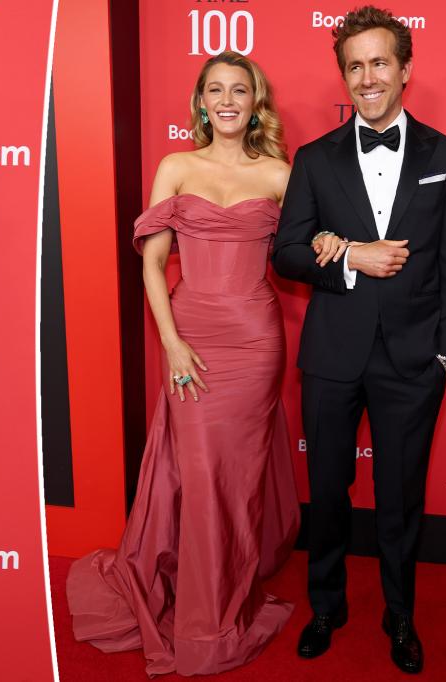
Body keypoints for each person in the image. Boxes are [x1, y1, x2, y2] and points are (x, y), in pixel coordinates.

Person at [66, 51, 300, 677]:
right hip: (190, 333)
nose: (227, 101)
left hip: (255, 342)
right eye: (215, 90)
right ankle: (201, 601)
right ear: (200, 103)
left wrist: (337, 244)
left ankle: (218, 611)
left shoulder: (280, 174)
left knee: (237, 478)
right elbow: (151, 262)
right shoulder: (176, 166)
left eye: (239, 90)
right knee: (198, 473)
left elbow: (301, 252)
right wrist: (170, 341)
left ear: (255, 103)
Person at [273, 5, 446, 675]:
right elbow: (287, 253)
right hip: (333, 352)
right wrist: (352, 256)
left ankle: (400, 613)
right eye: (355, 66)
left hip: (414, 359)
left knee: (401, 497)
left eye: (379, 62)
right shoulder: (314, 159)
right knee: (328, 490)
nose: (368, 78)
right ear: (345, 76)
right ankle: (326, 606)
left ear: (404, 69)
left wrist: (443, 351)